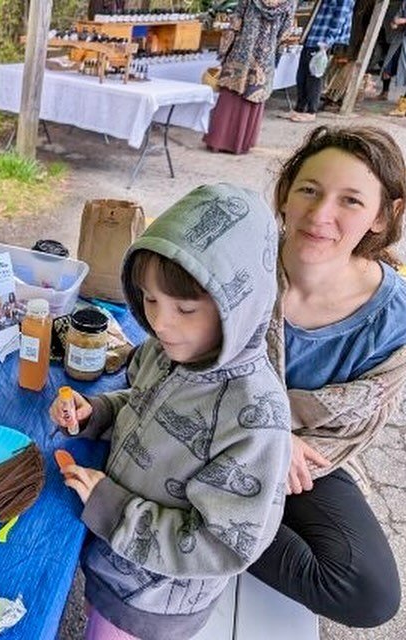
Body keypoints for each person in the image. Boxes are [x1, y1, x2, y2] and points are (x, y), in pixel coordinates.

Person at [50, 183, 292, 639]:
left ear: (239, 307)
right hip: (114, 557)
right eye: (150, 299)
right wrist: (97, 413)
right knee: (94, 613)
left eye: (185, 307)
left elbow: (222, 543)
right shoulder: (166, 350)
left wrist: (114, 510)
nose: (161, 322)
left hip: (154, 598)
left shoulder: (256, 420)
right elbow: (142, 404)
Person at [249, 125, 406, 627]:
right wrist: (269, 434)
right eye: (309, 190)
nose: (321, 215)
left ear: (385, 215)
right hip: (211, 431)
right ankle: (217, 512)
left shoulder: (396, 318)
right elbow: (179, 358)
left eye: (350, 200)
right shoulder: (238, 260)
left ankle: (210, 523)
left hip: (313, 457)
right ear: (284, 194)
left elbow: (350, 429)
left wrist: (280, 446)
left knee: (370, 593)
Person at [203, 0, 295, 154]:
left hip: (241, 53)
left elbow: (236, 23)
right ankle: (241, 144)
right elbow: (285, 32)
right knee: (253, 95)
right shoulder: (289, 2)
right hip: (264, 58)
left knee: (231, 96)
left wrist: (224, 52)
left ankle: (219, 141)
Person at [286, 0, 356, 122]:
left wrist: (328, 40)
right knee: (302, 74)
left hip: (322, 38)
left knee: (314, 75)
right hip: (312, 34)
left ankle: (311, 111)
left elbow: (340, 16)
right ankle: (299, 108)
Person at [380, 0, 406, 116]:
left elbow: (405, 20)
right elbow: (398, 15)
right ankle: (385, 92)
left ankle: (405, 106)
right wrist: (395, 22)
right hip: (401, 38)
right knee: (387, 66)